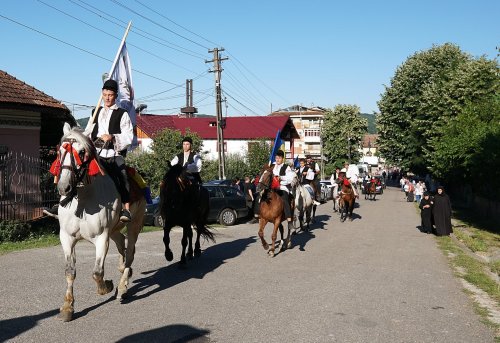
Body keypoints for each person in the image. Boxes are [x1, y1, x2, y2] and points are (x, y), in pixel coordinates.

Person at [91, 79, 134, 222]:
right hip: (96, 153)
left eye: (110, 95)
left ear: (115, 96)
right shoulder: (95, 111)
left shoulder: (122, 113)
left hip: (114, 153)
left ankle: (126, 209)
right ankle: (67, 202)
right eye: (105, 94)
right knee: (77, 169)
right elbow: (88, 131)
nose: (107, 98)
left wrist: (112, 137)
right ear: (101, 95)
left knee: (122, 174)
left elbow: (128, 136)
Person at [273, 150, 295, 231]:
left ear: (282, 158)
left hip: (282, 187)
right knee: (260, 196)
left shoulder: (286, 167)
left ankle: (289, 222)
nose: (277, 159)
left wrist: (281, 178)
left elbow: (290, 179)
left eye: (279, 158)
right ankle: (257, 214)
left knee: (285, 200)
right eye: (276, 158)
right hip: (272, 188)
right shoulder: (272, 166)